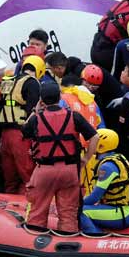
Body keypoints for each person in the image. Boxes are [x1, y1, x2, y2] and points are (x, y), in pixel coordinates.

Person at [22, 82, 99, 232]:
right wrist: (86, 158)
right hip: (69, 171)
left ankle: (35, 239)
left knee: (37, 211)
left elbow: (24, 131)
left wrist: (35, 110)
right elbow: (95, 137)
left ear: (41, 100)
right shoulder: (74, 116)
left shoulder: (36, 119)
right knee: (68, 213)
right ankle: (67, 242)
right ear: (59, 97)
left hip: (44, 171)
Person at [0, 56, 43, 193]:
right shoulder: (32, 83)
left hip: (5, 134)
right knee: (27, 174)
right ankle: (32, 203)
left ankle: (8, 200)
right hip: (21, 134)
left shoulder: (8, 81)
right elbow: (33, 111)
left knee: (9, 176)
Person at [80, 129, 129, 234]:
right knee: (85, 208)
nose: (90, 145)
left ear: (101, 145)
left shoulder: (107, 167)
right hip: (124, 209)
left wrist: (74, 204)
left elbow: (94, 197)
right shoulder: (118, 158)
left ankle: (95, 238)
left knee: (80, 211)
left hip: (122, 213)